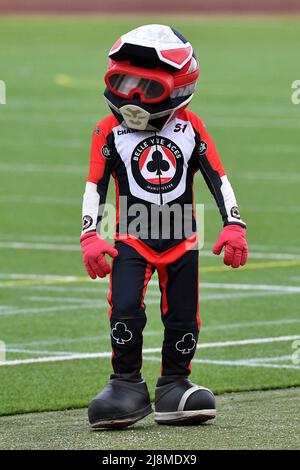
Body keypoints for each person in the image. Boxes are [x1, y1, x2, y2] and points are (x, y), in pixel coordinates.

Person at [80, 24, 248, 429]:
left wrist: (234, 225)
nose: (133, 96)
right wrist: (90, 234)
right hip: (130, 240)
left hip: (182, 238)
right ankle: (126, 385)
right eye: (124, 81)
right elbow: (94, 185)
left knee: (184, 319)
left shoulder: (191, 128)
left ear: (176, 87)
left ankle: (175, 384)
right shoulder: (108, 130)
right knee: (123, 310)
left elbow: (217, 177)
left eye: (146, 86)